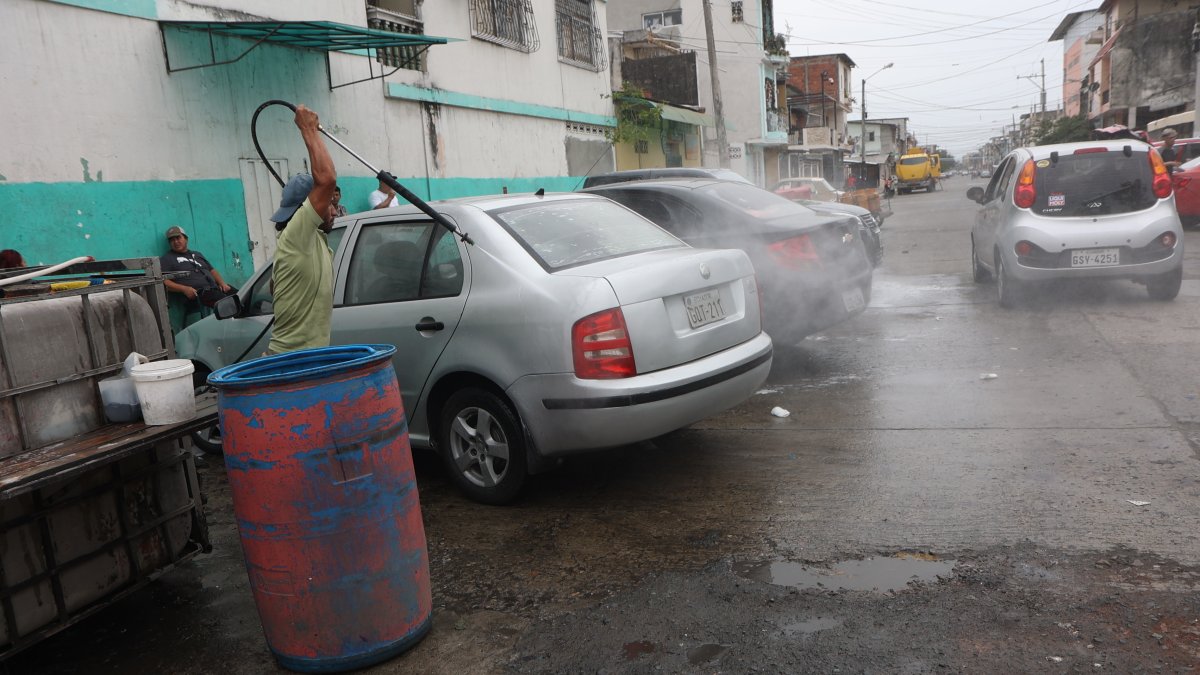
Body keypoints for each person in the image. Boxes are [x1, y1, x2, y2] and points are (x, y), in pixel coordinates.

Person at [267, 104, 337, 355]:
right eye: (330, 204)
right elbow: (327, 180)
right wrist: (308, 129)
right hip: (290, 362)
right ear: (305, 210)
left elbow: (274, 287)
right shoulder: (297, 234)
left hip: (312, 358)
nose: (334, 211)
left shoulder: (309, 240)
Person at [160, 226, 233, 327]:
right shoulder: (167, 259)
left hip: (215, 289)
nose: (175, 242)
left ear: (186, 239)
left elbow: (212, 270)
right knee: (230, 303)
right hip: (198, 294)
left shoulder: (197, 254)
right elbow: (164, 282)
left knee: (242, 295)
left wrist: (222, 283)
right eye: (172, 240)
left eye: (178, 238)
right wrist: (184, 289)